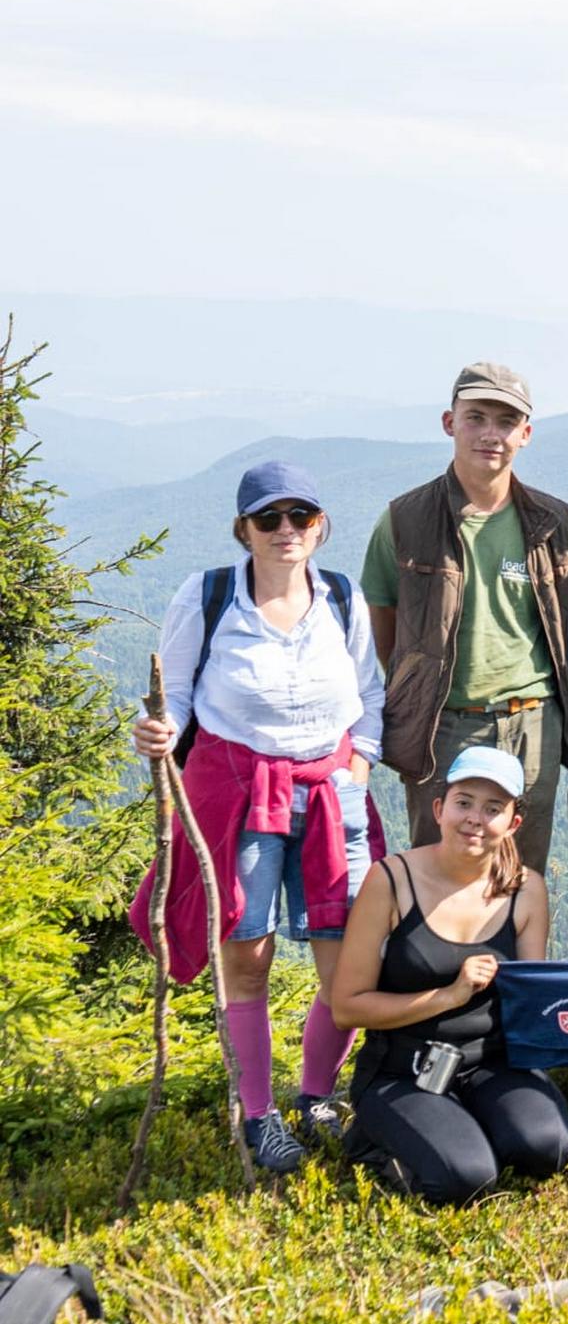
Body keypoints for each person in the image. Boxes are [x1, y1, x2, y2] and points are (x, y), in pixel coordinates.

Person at [130, 460, 384, 1175]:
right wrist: (155, 730)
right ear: (242, 529)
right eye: (268, 518)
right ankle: (259, 1115)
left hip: (330, 795)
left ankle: (316, 1096)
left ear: (320, 526)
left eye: (300, 516)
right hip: (242, 796)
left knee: (348, 963)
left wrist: (358, 771)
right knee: (249, 957)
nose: (285, 531)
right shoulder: (208, 597)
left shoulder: (340, 596)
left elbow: (368, 694)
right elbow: (173, 697)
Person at [362, 362, 568, 880]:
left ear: (525, 434)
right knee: (440, 872)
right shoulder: (404, 520)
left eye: (506, 421)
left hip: (532, 724)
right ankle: (440, 965)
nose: (490, 433)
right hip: (443, 724)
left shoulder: (553, 523)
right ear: (448, 422)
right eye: (475, 417)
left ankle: (514, 965)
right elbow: (383, 622)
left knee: (523, 876)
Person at [329, 745, 568, 1203]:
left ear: (513, 823)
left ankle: (465, 1121)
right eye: (464, 803)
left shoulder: (526, 890)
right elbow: (346, 1007)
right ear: (439, 809)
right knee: (466, 1179)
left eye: (493, 808)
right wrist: (448, 995)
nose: (475, 819)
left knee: (549, 1149)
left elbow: (531, 999)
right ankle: (372, 1139)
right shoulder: (392, 881)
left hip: (492, 1063)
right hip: (403, 1070)